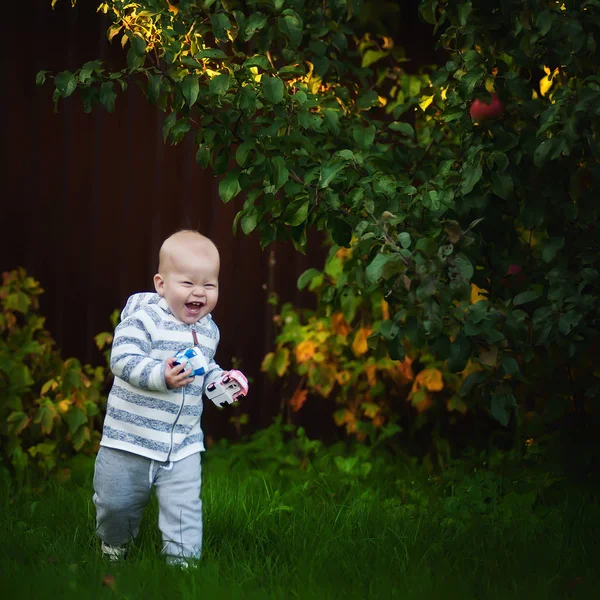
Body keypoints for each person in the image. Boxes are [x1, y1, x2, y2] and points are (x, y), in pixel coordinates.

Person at [92, 230, 247, 566]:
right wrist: (160, 375)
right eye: (188, 283)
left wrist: (221, 381)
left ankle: (183, 566)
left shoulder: (208, 329)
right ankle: (113, 547)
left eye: (209, 285)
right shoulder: (143, 319)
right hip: (130, 438)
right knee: (116, 503)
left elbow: (206, 368)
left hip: (182, 443)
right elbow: (122, 359)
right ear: (161, 285)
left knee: (184, 507)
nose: (199, 293)